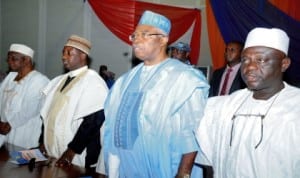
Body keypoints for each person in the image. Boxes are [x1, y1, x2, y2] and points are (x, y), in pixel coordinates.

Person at [102, 10, 209, 178]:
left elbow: (193, 133)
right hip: (126, 169)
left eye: (145, 34)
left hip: (166, 168)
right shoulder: (124, 81)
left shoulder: (185, 79)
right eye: (135, 35)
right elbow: (112, 129)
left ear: (163, 39)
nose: (137, 40)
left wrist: (183, 174)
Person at [196, 27, 300, 178]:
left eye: (261, 60)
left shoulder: (295, 107)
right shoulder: (225, 106)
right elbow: (208, 158)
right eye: (245, 60)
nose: (250, 67)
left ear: (284, 64)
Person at [39, 35, 108, 168]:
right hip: (53, 151)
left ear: (83, 55)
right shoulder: (58, 81)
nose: (64, 57)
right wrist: (42, 141)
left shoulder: (93, 81)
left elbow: (93, 121)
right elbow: (47, 114)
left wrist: (72, 150)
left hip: (76, 154)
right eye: (63, 52)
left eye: (69, 53)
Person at [0, 44, 49, 148]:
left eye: (13, 58)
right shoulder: (10, 77)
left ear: (26, 60)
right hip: (3, 133)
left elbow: (30, 109)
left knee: (19, 163)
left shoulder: (39, 80)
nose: (9, 61)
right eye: (8, 58)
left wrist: (9, 124)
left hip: (24, 135)